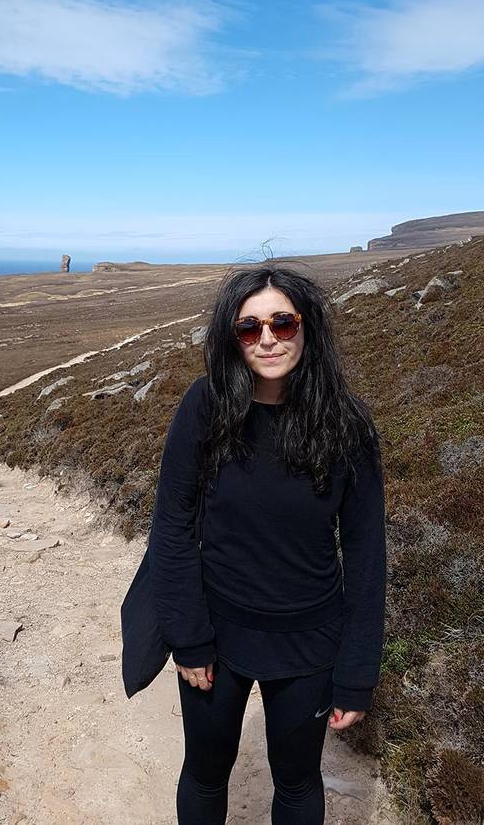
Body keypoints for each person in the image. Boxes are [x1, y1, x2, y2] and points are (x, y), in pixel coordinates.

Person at [148, 265, 387, 825]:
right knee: (206, 774)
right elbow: (173, 527)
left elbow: (366, 553)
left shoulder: (348, 424)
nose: (268, 339)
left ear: (307, 328)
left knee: (298, 781)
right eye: (249, 328)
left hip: (310, 642)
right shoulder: (204, 407)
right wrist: (188, 638)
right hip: (217, 632)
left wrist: (357, 670)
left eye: (283, 322)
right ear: (231, 338)